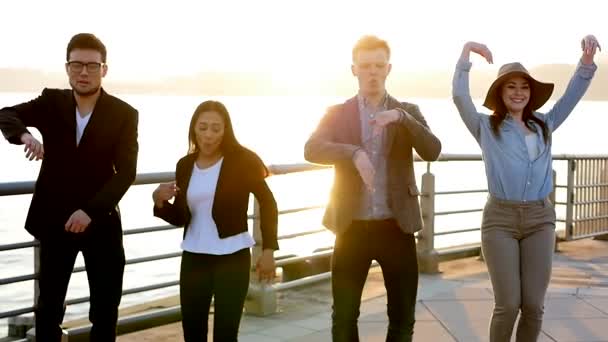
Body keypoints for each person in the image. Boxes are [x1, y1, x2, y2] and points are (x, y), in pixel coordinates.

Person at [452, 35, 600, 341]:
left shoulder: (544, 124)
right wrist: (466, 53)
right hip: (500, 221)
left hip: (540, 220)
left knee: (533, 305)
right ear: (500, 92)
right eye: (511, 86)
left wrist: (585, 63)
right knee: (508, 305)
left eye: (524, 87)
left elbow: (571, 97)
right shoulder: (485, 128)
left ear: (530, 93)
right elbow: (459, 97)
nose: (518, 92)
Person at [0, 33, 139, 341]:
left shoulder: (124, 114)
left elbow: (126, 173)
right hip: (55, 222)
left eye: (92, 65)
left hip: (101, 222)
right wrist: (25, 136)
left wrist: (90, 211)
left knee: (105, 310)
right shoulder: (52, 101)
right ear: (67, 68)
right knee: (48, 308)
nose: (84, 72)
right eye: (77, 65)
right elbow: (5, 114)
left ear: (104, 69)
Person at [304, 35, 442, 341]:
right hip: (351, 227)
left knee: (402, 318)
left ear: (389, 68)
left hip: (397, 227)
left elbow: (433, 150)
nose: (373, 72)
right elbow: (312, 149)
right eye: (365, 66)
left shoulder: (408, 111)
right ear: (354, 69)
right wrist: (353, 153)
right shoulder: (337, 113)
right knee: (343, 318)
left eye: (379, 65)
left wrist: (402, 118)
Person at [152, 100, 278, 341]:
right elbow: (181, 217)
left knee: (226, 334)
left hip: (232, 257)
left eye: (216, 128)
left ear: (225, 130)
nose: (208, 134)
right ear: (194, 129)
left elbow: (268, 203)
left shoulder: (242, 161)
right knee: (192, 332)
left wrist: (268, 250)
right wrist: (159, 201)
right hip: (194, 258)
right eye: (203, 127)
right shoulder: (185, 165)